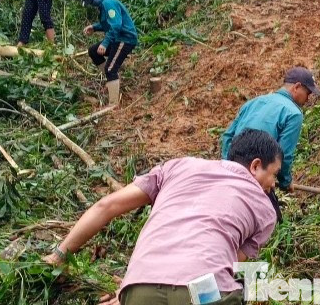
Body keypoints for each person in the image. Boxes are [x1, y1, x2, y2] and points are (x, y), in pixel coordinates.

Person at [42, 129, 282, 305]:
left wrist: (59, 254)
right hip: (203, 293)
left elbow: (107, 205)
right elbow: (227, 262)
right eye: (274, 175)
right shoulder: (264, 209)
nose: (272, 185)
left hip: (141, 289)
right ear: (255, 165)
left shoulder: (179, 167)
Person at [220, 67, 320, 221]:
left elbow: (228, 136)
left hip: (233, 168)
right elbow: (284, 154)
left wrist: (228, 165)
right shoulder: (293, 113)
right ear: (297, 87)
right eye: (308, 93)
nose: (308, 99)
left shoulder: (254, 102)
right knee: (271, 222)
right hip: (259, 172)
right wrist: (285, 181)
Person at [81, 0, 139, 107]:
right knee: (93, 51)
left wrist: (105, 43)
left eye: (91, 1)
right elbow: (108, 23)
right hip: (117, 38)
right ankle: (111, 81)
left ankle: (113, 104)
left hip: (125, 39)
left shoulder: (108, 4)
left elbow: (116, 25)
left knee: (110, 69)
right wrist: (94, 27)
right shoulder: (103, 4)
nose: (91, 4)